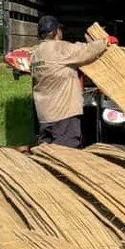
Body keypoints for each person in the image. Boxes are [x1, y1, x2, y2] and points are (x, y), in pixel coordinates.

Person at [28, 14, 106, 149]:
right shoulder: (59, 49)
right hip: (63, 115)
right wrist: (105, 42)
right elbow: (86, 50)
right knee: (66, 154)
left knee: (46, 152)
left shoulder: (36, 54)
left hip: (45, 116)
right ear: (57, 31)